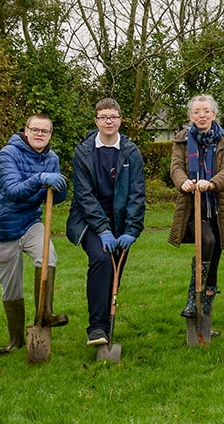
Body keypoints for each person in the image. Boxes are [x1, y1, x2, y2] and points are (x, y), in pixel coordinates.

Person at [0, 114, 69, 356]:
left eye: (45, 131)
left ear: (50, 135)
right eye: (36, 130)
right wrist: (41, 178)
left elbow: (51, 196)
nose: (40, 134)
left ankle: (44, 314)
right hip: (2, 228)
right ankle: (16, 340)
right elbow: (13, 191)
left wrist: (60, 189)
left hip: (30, 223)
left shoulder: (51, 158)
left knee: (48, 256)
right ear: (26, 130)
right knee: (11, 287)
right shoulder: (8, 154)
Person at [66, 98, 146, 346]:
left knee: (115, 270)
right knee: (101, 259)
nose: (109, 121)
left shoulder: (131, 152)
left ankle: (107, 327)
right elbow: (84, 195)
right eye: (103, 117)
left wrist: (131, 229)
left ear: (120, 119)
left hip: (121, 222)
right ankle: (96, 328)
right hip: (89, 220)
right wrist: (102, 230)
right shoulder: (84, 152)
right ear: (96, 121)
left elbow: (137, 193)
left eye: (113, 116)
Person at [168, 95, 224, 321]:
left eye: (206, 111)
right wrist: (183, 182)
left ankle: (205, 313)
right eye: (197, 112)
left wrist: (213, 182)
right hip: (192, 207)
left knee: (215, 255)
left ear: (213, 115)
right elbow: (176, 167)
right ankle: (192, 297)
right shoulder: (181, 141)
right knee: (206, 241)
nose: (201, 115)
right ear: (191, 116)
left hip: (216, 207)